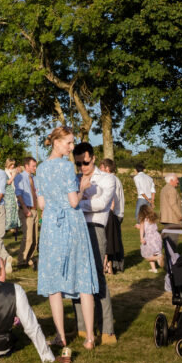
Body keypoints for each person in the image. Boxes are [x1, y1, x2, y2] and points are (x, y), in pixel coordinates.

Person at [35, 126, 98, 349]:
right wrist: (82, 188)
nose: (72, 147)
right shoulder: (66, 167)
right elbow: (73, 202)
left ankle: (61, 336)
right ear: (56, 142)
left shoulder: (40, 169)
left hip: (51, 225)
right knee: (83, 275)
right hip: (71, 223)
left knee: (54, 282)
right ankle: (90, 337)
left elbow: (41, 204)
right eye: (69, 143)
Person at [71, 142, 116, 346]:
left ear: (94, 158)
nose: (83, 167)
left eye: (86, 163)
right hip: (75, 229)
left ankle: (107, 329)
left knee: (98, 276)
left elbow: (101, 204)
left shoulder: (107, 178)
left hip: (95, 228)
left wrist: (77, 202)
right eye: (79, 164)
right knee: (76, 276)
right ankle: (82, 327)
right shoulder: (74, 178)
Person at [99, 158, 125, 274]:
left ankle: (116, 265)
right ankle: (114, 265)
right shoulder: (115, 178)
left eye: (101, 168)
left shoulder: (111, 179)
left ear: (107, 169)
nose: (100, 170)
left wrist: (109, 212)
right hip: (117, 213)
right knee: (114, 240)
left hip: (114, 214)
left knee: (112, 241)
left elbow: (112, 198)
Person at [14, 157, 39, 269]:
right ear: (26, 166)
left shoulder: (34, 178)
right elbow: (18, 193)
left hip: (34, 209)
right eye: (33, 166)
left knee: (35, 238)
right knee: (28, 237)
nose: (35, 168)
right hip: (26, 209)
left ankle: (29, 258)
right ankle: (21, 260)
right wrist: (24, 208)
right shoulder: (20, 177)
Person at [137, 204, 162, 272]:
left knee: (147, 256)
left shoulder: (143, 220)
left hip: (149, 238)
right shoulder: (152, 218)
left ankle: (159, 258)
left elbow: (142, 229)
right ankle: (154, 269)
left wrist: (141, 238)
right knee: (152, 253)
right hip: (156, 237)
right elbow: (149, 227)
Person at [3, 159, 21, 232]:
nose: (12, 166)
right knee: (9, 210)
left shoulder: (14, 172)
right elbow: (8, 182)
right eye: (11, 164)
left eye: (13, 164)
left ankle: (15, 226)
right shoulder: (4, 173)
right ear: (8, 164)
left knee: (15, 209)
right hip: (8, 194)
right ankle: (8, 227)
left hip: (15, 192)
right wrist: (13, 175)